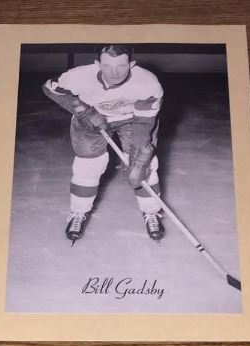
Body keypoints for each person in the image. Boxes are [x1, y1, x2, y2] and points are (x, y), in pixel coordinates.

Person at [42, 45, 165, 243]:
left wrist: (139, 160)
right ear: (97, 64)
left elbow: (143, 124)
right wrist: (84, 111)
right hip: (90, 119)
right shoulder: (78, 76)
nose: (114, 73)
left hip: (132, 119)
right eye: (107, 66)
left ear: (131, 64)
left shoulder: (148, 83)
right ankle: (78, 212)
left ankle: (151, 211)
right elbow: (50, 88)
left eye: (121, 66)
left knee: (144, 165)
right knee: (87, 165)